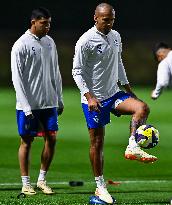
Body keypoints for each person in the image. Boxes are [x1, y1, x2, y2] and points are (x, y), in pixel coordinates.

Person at [72, 3, 157, 204]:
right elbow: (76, 71)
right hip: (95, 100)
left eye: (112, 19)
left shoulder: (116, 36)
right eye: (105, 19)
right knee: (97, 142)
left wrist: (128, 89)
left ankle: (132, 146)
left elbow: (118, 63)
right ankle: (100, 186)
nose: (109, 23)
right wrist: (89, 96)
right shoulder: (85, 41)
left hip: (114, 94)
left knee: (142, 107)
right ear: (95, 18)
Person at [11, 7, 64, 195]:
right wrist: (25, 106)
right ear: (33, 22)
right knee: (27, 142)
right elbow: (16, 79)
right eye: (44, 23)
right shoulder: (21, 45)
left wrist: (60, 98)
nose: (48, 27)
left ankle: (42, 180)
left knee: (52, 139)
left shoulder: (50, 42)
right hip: (29, 106)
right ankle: (26, 183)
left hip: (49, 103)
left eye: (49, 23)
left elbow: (56, 73)